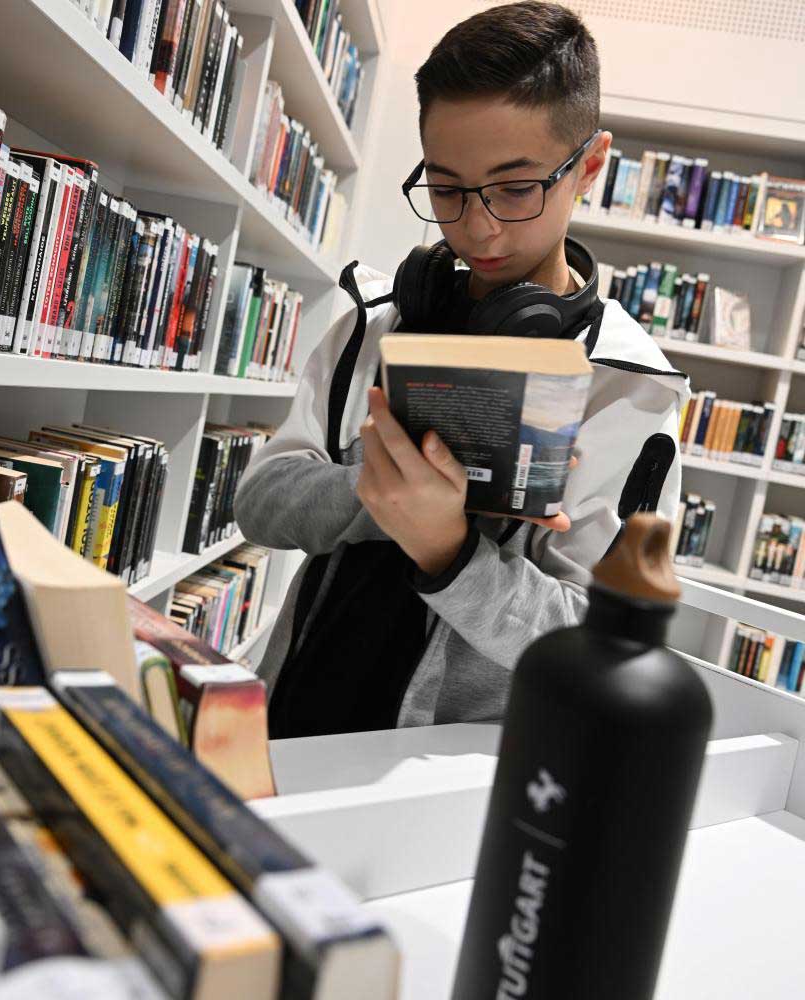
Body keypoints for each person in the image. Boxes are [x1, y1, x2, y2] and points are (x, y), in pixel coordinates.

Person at [234, 1, 689, 736]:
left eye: (516, 189)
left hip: (444, 780)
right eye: (446, 189)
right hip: (287, 719)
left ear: (590, 167)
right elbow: (259, 502)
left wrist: (448, 549)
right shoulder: (373, 322)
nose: (478, 228)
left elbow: (599, 648)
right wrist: (386, 492)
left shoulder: (631, 394)